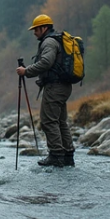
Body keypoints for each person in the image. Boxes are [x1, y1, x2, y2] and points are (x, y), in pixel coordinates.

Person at [16, 14, 75, 167]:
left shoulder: (48, 42)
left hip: (55, 87)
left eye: (36, 29)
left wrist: (26, 71)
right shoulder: (57, 40)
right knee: (61, 122)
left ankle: (56, 155)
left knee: (49, 121)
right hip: (64, 86)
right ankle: (68, 156)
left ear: (44, 28)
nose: (34, 32)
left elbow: (46, 62)